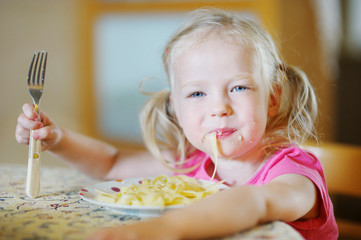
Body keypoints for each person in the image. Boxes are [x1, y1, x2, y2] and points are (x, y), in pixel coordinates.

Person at [15, 7, 338, 240]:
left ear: (272, 98)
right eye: (197, 93)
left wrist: (164, 230)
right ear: (177, 110)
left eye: (238, 87)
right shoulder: (193, 165)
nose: (219, 108)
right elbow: (112, 164)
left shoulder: (292, 173)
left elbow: (256, 202)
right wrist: (56, 139)